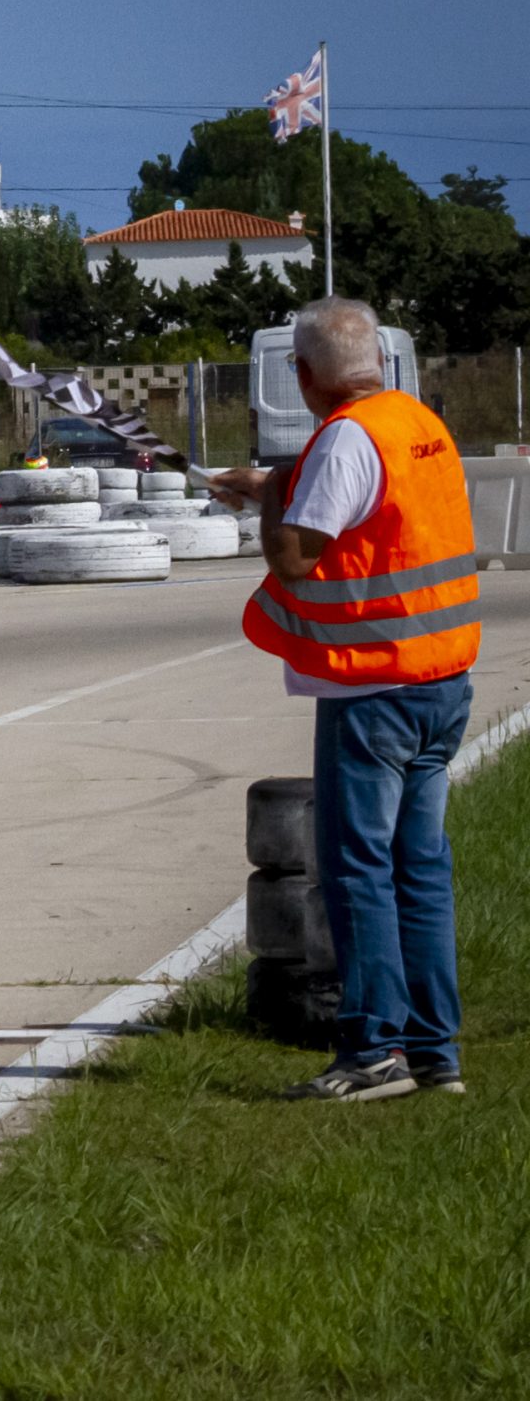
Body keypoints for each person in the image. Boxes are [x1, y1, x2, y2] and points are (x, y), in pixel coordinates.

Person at [209, 297, 479, 1102]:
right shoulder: (418, 424)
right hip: (440, 681)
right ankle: (434, 1050)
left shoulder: (346, 438)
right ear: (380, 363)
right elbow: (367, 511)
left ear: (303, 376)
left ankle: (372, 1050)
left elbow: (294, 555)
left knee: (358, 870)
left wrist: (271, 497)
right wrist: (275, 483)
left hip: (371, 689)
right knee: (419, 869)